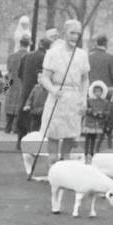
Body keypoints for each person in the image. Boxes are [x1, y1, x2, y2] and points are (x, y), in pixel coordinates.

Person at [38, 19, 90, 160]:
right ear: (64, 33)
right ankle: (53, 163)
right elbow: (45, 78)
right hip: (57, 96)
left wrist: (84, 98)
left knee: (70, 134)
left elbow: (85, 78)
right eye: (72, 33)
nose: (75, 37)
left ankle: (65, 161)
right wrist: (53, 90)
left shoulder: (82, 54)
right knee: (53, 133)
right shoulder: (53, 53)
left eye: (78, 34)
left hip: (74, 97)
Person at [81, 81, 113, 161]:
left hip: (97, 123)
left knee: (93, 138)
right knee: (87, 138)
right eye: (96, 92)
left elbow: (107, 111)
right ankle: (86, 152)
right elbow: (85, 109)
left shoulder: (105, 102)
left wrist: (102, 113)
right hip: (89, 122)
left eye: (99, 92)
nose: (97, 93)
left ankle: (92, 152)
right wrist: (92, 111)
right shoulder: (89, 100)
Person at [3, 37, 30, 133]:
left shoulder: (11, 56)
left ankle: (7, 127)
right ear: (28, 44)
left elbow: (8, 71)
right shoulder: (28, 56)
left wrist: (5, 88)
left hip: (11, 83)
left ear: (20, 43)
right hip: (22, 84)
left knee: (9, 105)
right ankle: (16, 128)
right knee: (20, 106)